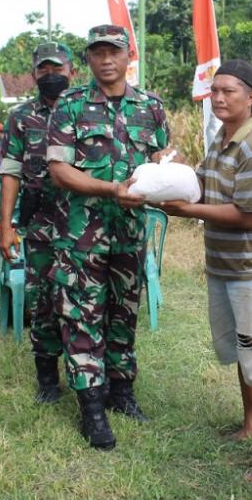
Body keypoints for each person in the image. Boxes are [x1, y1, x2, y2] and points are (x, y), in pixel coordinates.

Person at [159, 59, 252, 484]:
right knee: (243, 347)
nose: (217, 98)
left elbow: (250, 215)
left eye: (228, 91)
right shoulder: (222, 138)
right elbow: (201, 184)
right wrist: (171, 169)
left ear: (251, 97)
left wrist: (189, 211)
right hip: (224, 264)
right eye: (214, 91)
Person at [46, 25, 169, 450]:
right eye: (97, 53)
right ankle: (92, 409)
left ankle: (122, 393)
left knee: (123, 315)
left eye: (113, 51)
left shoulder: (150, 106)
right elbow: (59, 170)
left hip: (130, 234)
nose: (106, 59)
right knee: (82, 316)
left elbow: (162, 156)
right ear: (89, 60)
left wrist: (167, 169)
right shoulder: (70, 104)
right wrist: (110, 189)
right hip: (82, 237)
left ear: (127, 54)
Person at [0, 42, 78, 404]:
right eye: (43, 70)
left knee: (84, 302)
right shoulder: (20, 117)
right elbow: (11, 172)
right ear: (34, 74)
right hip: (41, 226)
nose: (51, 76)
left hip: (83, 225)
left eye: (57, 69)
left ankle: (92, 375)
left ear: (72, 71)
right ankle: (48, 379)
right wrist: (6, 226)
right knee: (43, 301)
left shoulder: (85, 110)